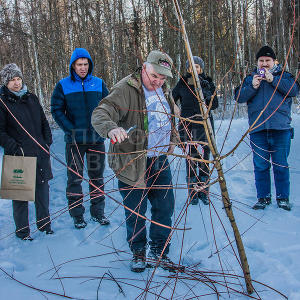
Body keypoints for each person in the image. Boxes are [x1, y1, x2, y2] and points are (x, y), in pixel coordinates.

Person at [91, 50, 179, 273]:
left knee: (165, 208)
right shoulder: (126, 88)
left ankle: (159, 251)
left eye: (162, 77)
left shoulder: (164, 90)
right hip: (133, 163)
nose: (158, 81)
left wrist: (176, 138)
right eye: (154, 76)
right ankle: (138, 252)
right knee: (136, 211)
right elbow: (101, 112)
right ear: (144, 68)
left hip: (159, 160)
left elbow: (169, 118)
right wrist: (112, 128)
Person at [235, 46, 299, 211]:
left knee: (281, 165)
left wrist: (273, 80)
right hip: (258, 130)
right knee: (260, 166)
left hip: (280, 129)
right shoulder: (250, 78)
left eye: (267, 61)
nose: (264, 64)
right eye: (261, 61)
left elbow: (294, 90)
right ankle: (263, 198)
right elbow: (239, 97)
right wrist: (253, 87)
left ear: (274, 62)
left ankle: (283, 198)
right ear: (257, 62)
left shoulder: (284, 76)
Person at [51, 48, 110, 229]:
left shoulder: (99, 84)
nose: (83, 68)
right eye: (79, 65)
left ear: (89, 65)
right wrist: (70, 129)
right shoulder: (63, 85)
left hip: (95, 140)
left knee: (96, 177)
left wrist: (104, 128)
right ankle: (77, 215)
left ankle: (98, 213)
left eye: (85, 64)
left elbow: (108, 106)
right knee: (75, 179)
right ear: (73, 66)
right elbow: (56, 109)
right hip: (75, 141)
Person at [0, 63, 53, 240]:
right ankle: (23, 232)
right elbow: (0, 132)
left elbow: (44, 122)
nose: (16, 83)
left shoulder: (32, 98)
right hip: (19, 156)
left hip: (40, 152)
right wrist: (15, 147)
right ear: (6, 82)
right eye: (12, 80)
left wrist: (47, 141)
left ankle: (45, 226)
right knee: (20, 196)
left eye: (18, 78)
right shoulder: (2, 102)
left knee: (42, 192)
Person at [172, 56, 218, 205]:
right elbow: (171, 98)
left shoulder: (208, 82)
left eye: (197, 67)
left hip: (204, 127)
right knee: (191, 159)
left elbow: (215, 104)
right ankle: (192, 193)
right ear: (188, 69)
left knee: (204, 160)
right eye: (191, 67)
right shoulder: (182, 82)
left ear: (201, 68)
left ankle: (203, 192)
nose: (194, 70)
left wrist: (207, 92)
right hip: (187, 126)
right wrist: (175, 108)